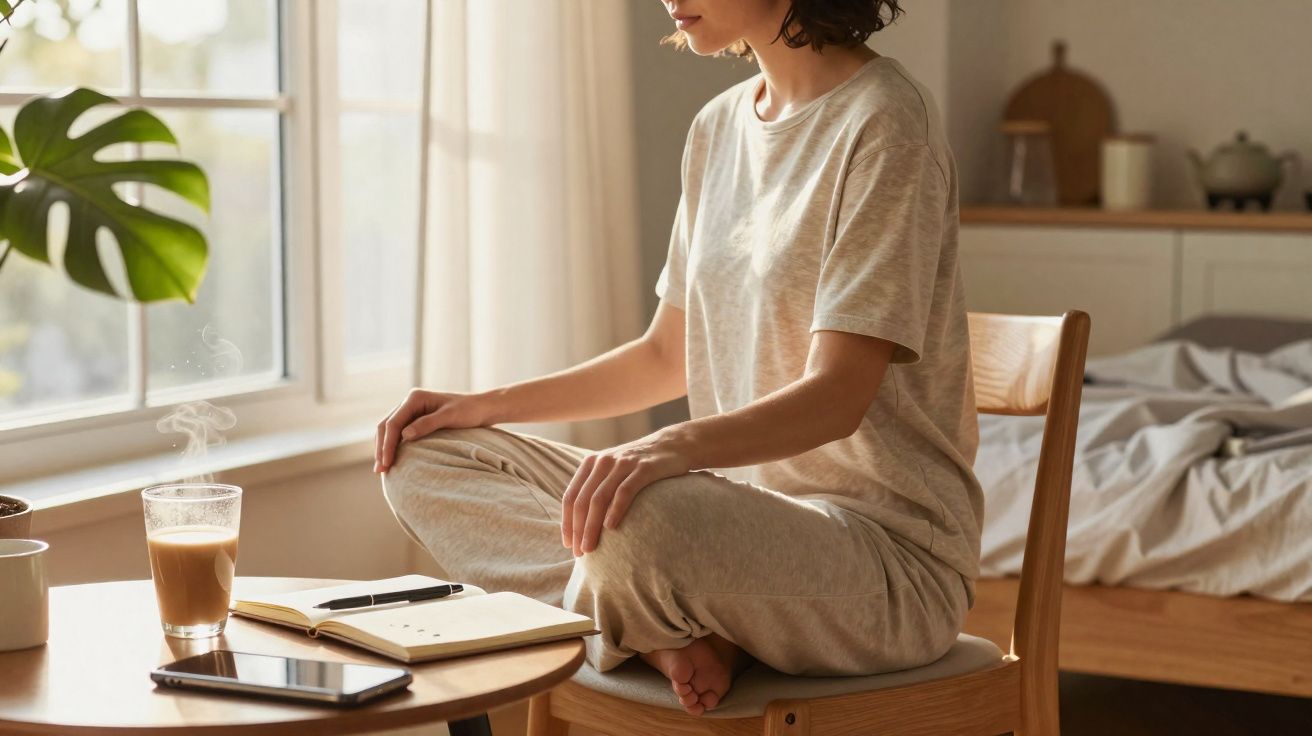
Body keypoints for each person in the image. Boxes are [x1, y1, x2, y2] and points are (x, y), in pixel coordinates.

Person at [375, 0, 981, 717]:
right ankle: (659, 626)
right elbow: (668, 354)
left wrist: (665, 450)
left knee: (645, 519)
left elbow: (837, 395)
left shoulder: (884, 119)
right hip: (735, 537)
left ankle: (631, 621)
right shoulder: (718, 127)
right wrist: (484, 405)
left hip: (886, 565)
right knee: (421, 456)